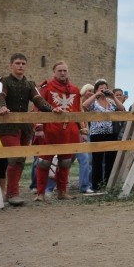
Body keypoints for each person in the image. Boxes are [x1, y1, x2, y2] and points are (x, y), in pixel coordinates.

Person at [0, 53, 63, 206]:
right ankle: (12, 193)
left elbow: (38, 100)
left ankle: (11, 192)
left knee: (21, 159)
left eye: (23, 63)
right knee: (15, 157)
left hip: (24, 126)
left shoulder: (30, 84)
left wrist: (52, 109)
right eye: (17, 63)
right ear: (11, 65)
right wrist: (1, 107)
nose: (20, 66)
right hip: (7, 125)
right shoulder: (2, 81)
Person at [33, 61, 81, 202]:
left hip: (69, 130)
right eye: (60, 70)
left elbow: (78, 110)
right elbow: (37, 108)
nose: (62, 73)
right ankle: (40, 193)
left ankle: (62, 192)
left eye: (65, 70)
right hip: (50, 130)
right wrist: (38, 127)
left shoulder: (75, 89)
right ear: (54, 72)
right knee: (43, 162)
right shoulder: (46, 88)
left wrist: (82, 130)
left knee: (65, 162)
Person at [82, 79, 125, 191]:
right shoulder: (94, 102)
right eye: (101, 88)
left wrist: (113, 96)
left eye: (105, 87)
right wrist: (96, 95)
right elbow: (84, 106)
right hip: (97, 134)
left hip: (111, 133)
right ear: (96, 89)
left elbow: (121, 109)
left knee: (110, 160)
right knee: (97, 161)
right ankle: (96, 186)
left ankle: (108, 185)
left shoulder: (111, 102)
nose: (103, 89)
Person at [77, 84, 94, 193]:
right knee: (65, 160)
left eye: (92, 91)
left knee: (87, 159)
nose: (91, 93)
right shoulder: (78, 102)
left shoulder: (90, 106)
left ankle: (86, 185)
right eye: (89, 91)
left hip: (86, 133)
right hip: (78, 133)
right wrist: (82, 130)